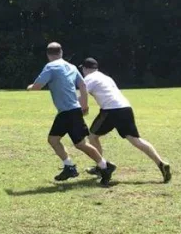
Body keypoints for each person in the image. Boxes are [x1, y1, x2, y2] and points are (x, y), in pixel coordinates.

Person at [27, 42, 115, 185]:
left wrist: (30, 87)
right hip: (70, 111)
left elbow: (37, 86)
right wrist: (85, 105)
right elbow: (82, 85)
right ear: (61, 52)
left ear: (48, 55)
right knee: (55, 139)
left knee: (80, 144)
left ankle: (104, 166)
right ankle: (70, 166)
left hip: (67, 112)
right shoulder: (72, 67)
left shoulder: (50, 66)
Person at [80, 58, 171, 183]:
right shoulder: (106, 77)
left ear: (85, 68)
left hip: (111, 110)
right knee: (135, 140)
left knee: (92, 136)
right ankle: (161, 163)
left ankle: (102, 167)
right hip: (125, 108)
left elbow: (82, 95)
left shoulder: (89, 78)